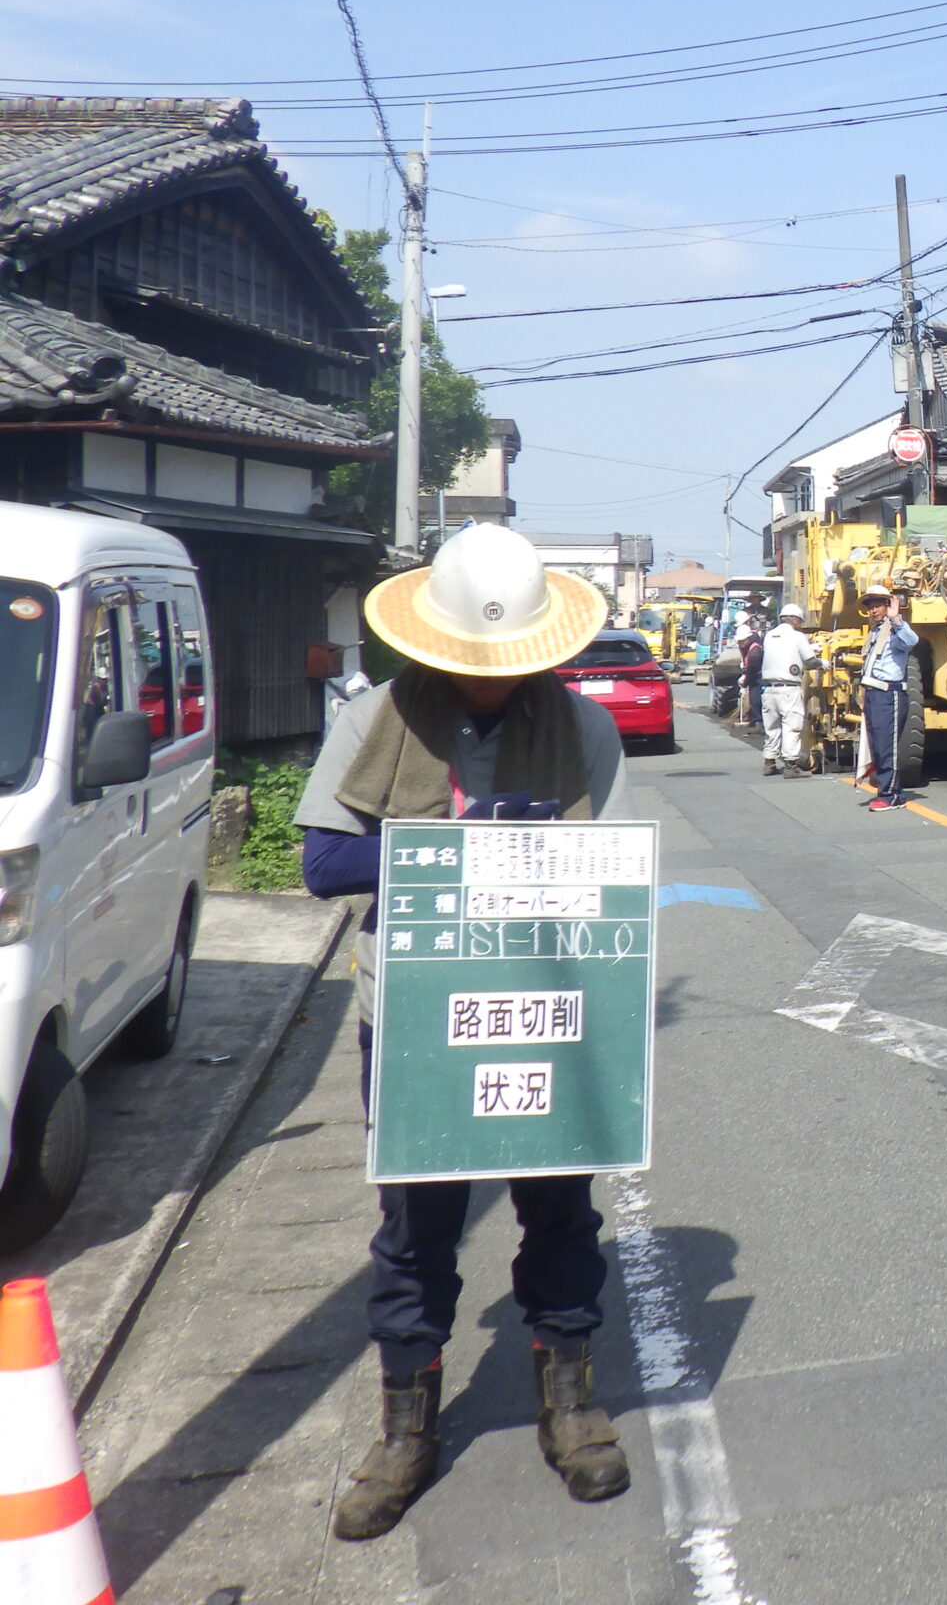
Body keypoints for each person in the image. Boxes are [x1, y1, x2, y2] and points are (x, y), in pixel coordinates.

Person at [295, 523, 633, 1541]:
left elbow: (606, 869)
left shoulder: (584, 729)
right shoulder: (374, 720)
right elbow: (324, 865)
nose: (492, 678)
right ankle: (406, 1430)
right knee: (416, 1223)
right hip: (414, 1015)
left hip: (545, 1006)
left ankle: (569, 1402)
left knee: (560, 1209)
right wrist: (457, 844)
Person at [856, 583, 920, 810]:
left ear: (888, 605)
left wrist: (896, 619)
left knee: (886, 746)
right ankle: (890, 791)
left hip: (889, 692)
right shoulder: (874, 631)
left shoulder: (895, 629)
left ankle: (890, 795)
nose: (873, 610)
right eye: (870, 607)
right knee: (877, 746)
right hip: (874, 693)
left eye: (878, 605)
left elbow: (911, 641)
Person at [760, 604, 816, 777]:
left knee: (772, 727)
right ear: (795, 620)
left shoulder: (769, 636)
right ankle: (791, 767)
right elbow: (810, 661)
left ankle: (769, 763)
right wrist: (823, 662)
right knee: (792, 726)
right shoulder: (797, 636)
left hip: (769, 689)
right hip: (789, 689)